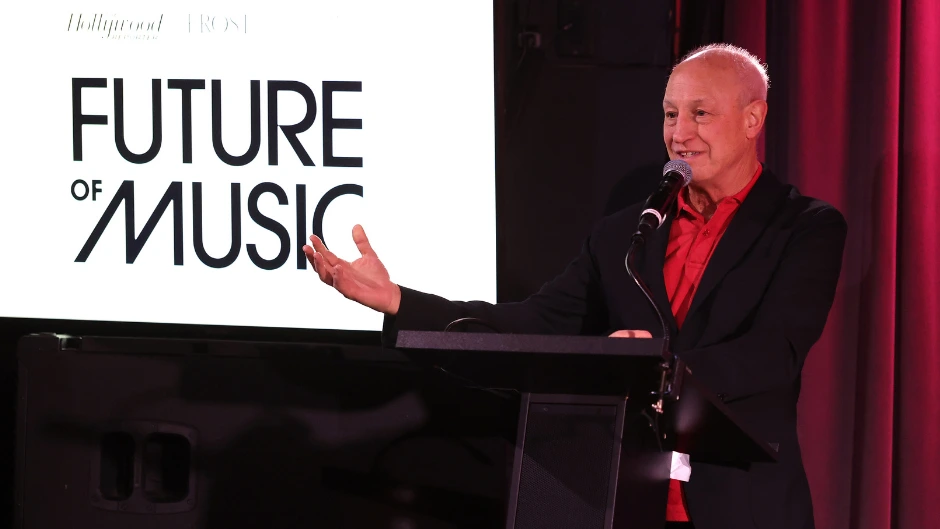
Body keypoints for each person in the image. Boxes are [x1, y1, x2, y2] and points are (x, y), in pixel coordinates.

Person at [304, 43, 847, 529]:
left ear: (753, 119)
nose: (680, 134)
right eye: (670, 114)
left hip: (741, 506)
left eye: (700, 114)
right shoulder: (626, 235)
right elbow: (533, 325)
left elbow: (774, 352)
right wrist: (397, 300)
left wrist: (658, 366)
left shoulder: (803, 228)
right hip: (616, 499)